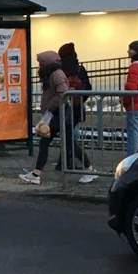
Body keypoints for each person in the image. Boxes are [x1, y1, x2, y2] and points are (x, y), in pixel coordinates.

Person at [20, 51, 95, 185]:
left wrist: (50, 106)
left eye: (40, 62)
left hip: (58, 113)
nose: (39, 65)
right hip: (57, 112)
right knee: (65, 142)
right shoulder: (53, 74)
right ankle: (37, 173)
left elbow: (62, 94)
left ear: (47, 63)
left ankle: (37, 174)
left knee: (53, 142)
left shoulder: (56, 75)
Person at [55, 43, 98, 181]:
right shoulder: (80, 69)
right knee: (68, 136)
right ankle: (63, 164)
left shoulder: (60, 70)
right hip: (77, 108)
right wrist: (79, 99)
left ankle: (89, 168)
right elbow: (88, 88)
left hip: (65, 108)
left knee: (68, 138)